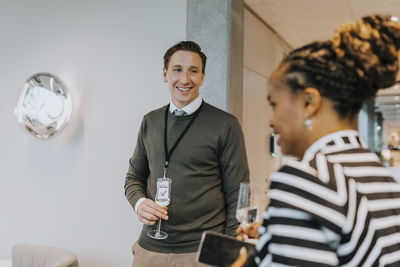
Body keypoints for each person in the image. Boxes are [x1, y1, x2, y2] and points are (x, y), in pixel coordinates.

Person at [231, 14, 400, 267]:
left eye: (274, 104)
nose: (272, 121)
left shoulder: (307, 179)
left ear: (309, 103)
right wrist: (273, 239)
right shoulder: (382, 176)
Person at [124, 40, 249, 267]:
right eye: (177, 70)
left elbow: (238, 193)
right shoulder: (150, 121)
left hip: (203, 252)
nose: (185, 79)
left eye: (193, 71)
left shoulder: (225, 125)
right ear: (165, 74)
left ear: (202, 77)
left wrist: (231, 251)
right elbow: (133, 178)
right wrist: (140, 202)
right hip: (149, 250)